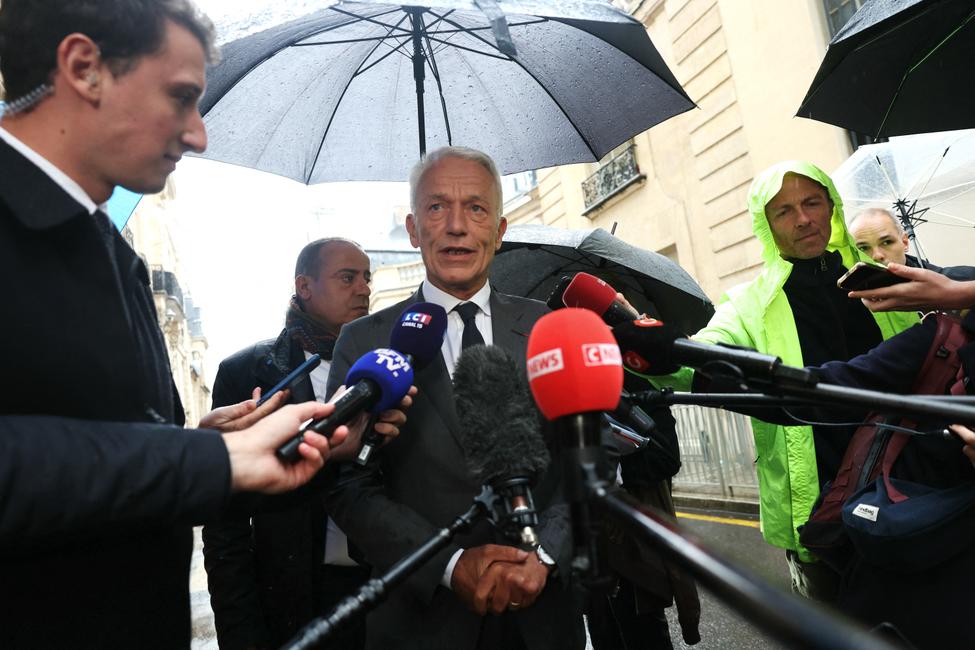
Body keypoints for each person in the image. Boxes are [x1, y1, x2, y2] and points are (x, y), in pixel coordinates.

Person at [0, 2, 402, 647]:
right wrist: (202, 457)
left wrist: (292, 453)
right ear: (84, 68)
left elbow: (117, 477)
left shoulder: (113, 251)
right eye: (182, 97)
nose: (198, 134)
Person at [324, 146, 585, 650]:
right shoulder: (364, 342)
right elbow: (346, 486)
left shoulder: (550, 329)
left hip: (546, 618)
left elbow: (591, 460)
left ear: (500, 231)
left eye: (477, 208)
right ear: (414, 228)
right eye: (437, 207)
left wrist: (545, 553)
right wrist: (448, 564)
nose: (457, 226)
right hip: (422, 622)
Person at [647, 161, 918, 603]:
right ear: (766, 226)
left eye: (812, 202)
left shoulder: (885, 280)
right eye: (784, 211)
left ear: (831, 207)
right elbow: (696, 357)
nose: (803, 219)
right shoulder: (749, 304)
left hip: (907, 491)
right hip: (820, 519)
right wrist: (647, 341)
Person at [203, 238, 375, 650]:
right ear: (304, 286)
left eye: (367, 277)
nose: (364, 289)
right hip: (293, 601)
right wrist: (241, 632)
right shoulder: (246, 371)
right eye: (347, 277)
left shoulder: (389, 364)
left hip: (387, 589)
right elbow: (226, 522)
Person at [848, 208, 913, 266]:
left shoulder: (923, 271)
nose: (877, 256)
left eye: (887, 242)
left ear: (905, 242)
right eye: (863, 248)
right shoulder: (847, 279)